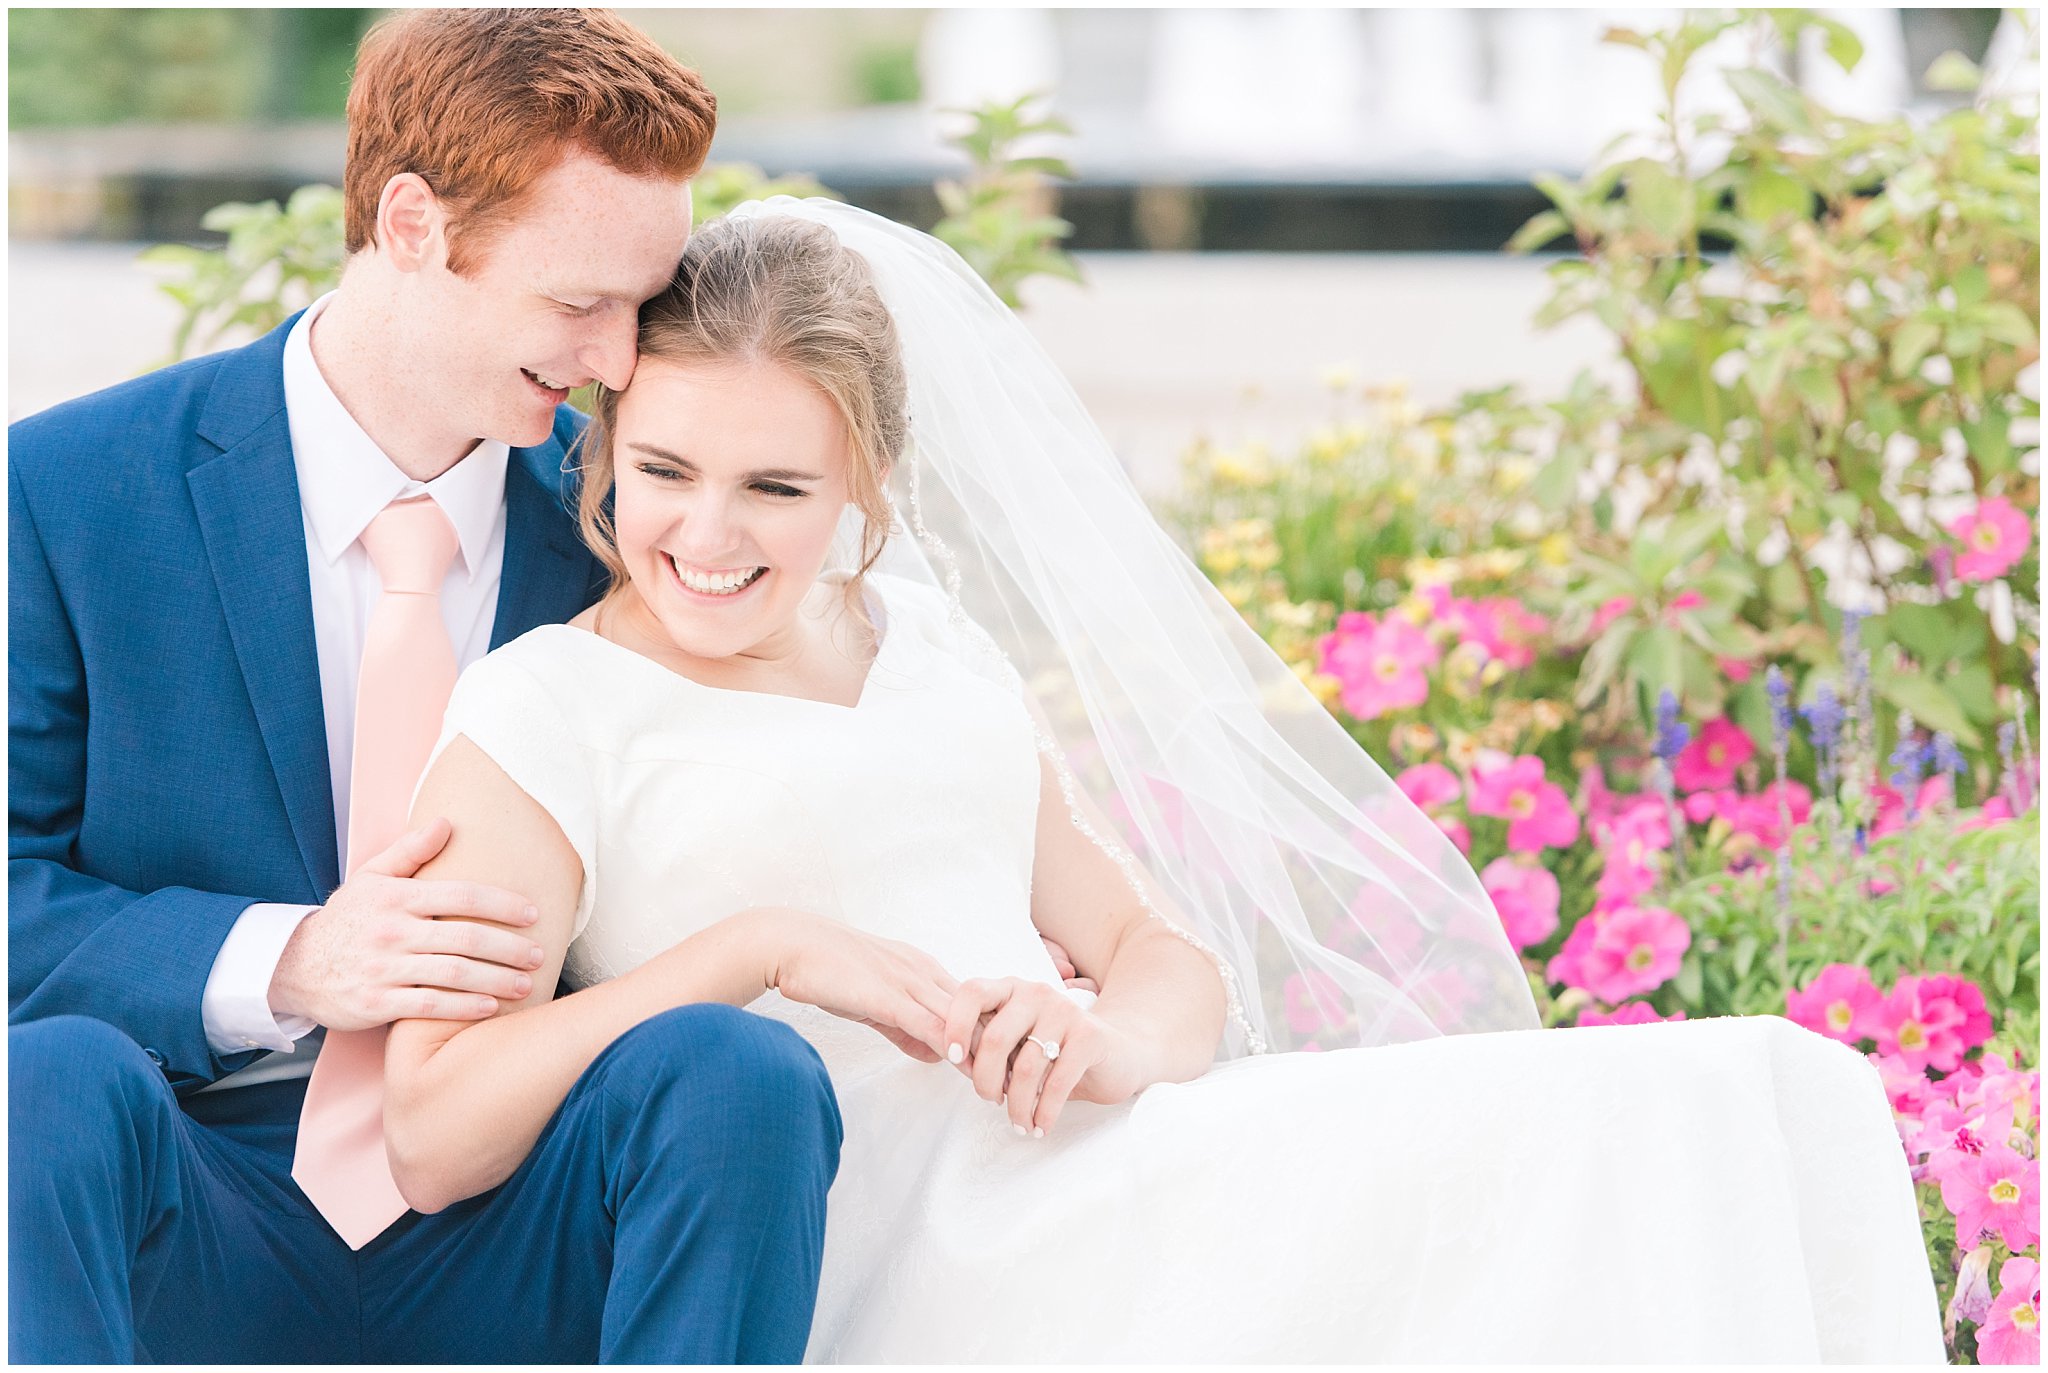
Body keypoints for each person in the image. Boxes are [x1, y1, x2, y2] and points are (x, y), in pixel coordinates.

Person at [384, 200, 1949, 1362]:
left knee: (1746, 1087)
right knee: (1656, 1113)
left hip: (1106, 1160)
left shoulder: (916, 641)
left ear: (861, 481)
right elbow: (435, 1126)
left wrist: (1109, 1040)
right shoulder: (550, 705)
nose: (705, 535)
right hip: (899, 1256)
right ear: (603, 446)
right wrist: (752, 953)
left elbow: (1157, 953)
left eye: (774, 486)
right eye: (663, 471)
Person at [8, 11, 842, 1363]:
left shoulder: (646, 529)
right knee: (34, 1081)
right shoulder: (60, 493)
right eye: (580, 302)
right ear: (411, 225)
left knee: (741, 1075)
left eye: (645, 303)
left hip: (526, 1190)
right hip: (186, 1194)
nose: (622, 361)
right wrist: (292, 958)